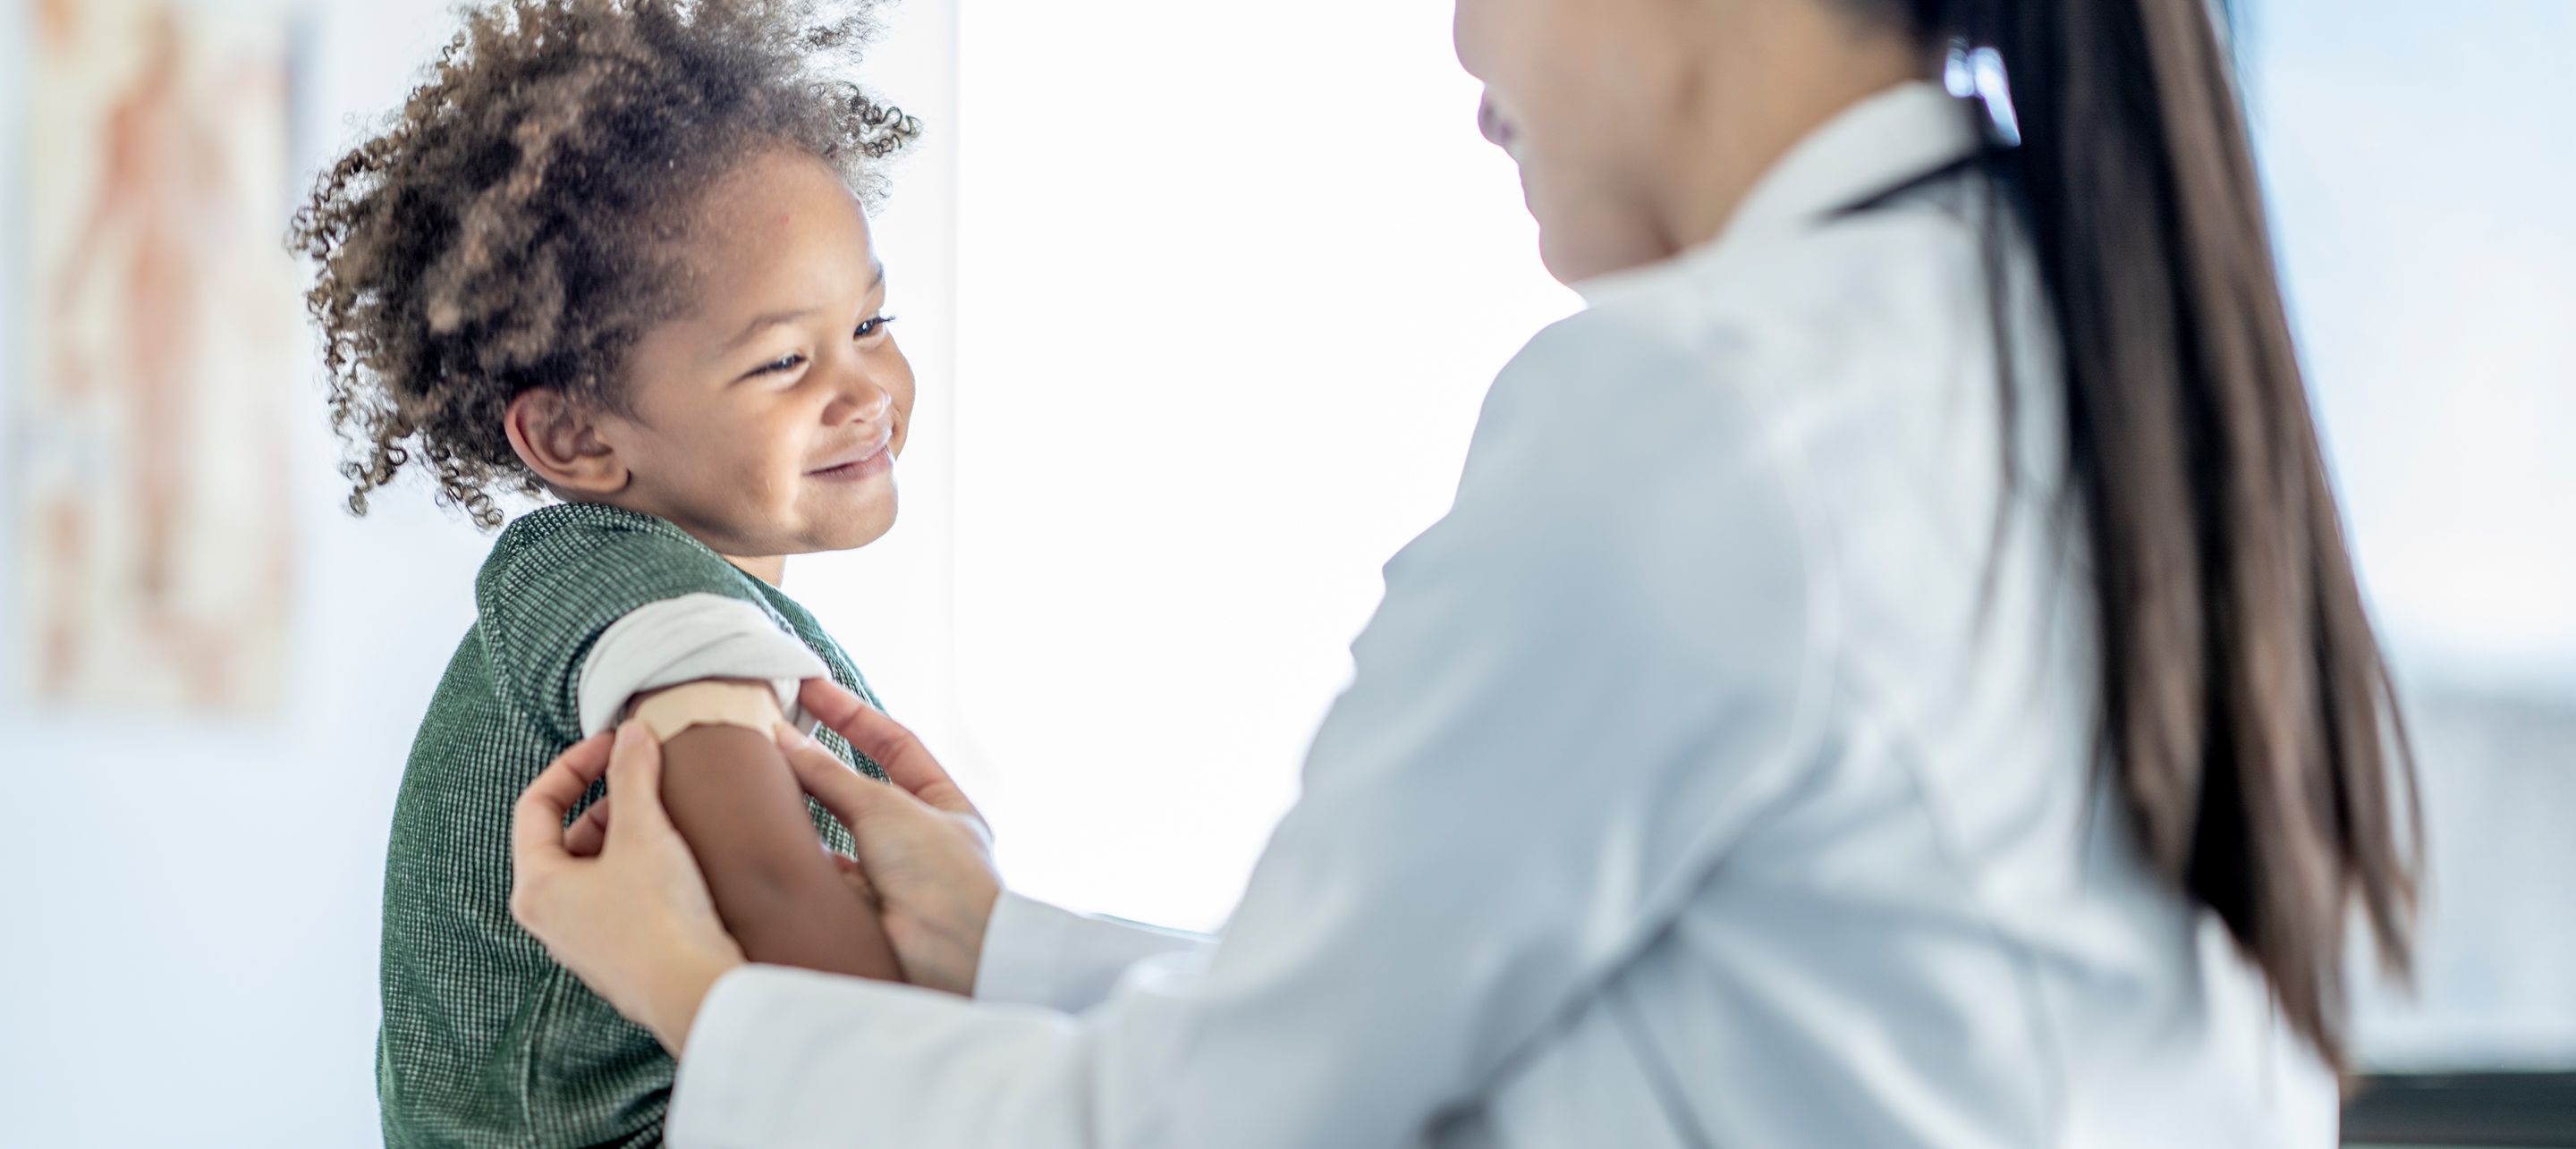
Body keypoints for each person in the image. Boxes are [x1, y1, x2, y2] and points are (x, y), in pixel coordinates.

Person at [511, 0, 2424, 1144]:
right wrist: (1006, 943)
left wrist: (704, 1000)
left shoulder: (1707, 411)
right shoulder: (2068, 342)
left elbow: (1219, 1134)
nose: (1465, 55)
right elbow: (1576, 1035)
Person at [288, 1, 927, 1144]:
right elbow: (787, 915)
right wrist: (994, 1078)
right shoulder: (616, 582)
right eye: (785, 358)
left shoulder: (677, 598)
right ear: (580, 440)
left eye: (873, 321)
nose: (865, 387)